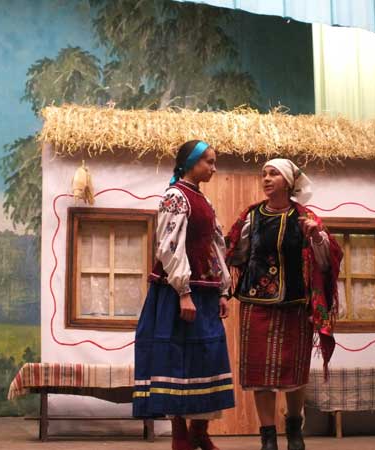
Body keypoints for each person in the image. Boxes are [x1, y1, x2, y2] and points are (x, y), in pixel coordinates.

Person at [226, 159, 343, 450]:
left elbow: (326, 262)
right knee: (259, 373)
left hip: (295, 303)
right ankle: (268, 437)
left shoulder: (305, 218)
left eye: (273, 174)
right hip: (256, 302)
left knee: (294, 371)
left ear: (289, 182)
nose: (266, 179)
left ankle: (293, 428)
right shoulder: (252, 216)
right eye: (264, 174)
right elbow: (236, 253)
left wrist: (316, 236)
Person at [133, 140, 235, 450]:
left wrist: (222, 289)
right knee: (176, 360)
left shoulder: (203, 200)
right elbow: (169, 247)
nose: (213, 168)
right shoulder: (175, 197)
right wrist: (183, 292)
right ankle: (180, 435)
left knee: (207, 358)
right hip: (179, 293)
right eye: (209, 162)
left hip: (205, 292)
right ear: (191, 163)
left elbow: (215, 246)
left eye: (214, 162)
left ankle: (199, 431)